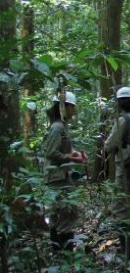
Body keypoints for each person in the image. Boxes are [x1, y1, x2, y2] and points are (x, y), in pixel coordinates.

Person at [103, 86, 130, 255]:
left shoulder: (122, 120)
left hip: (126, 171)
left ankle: (128, 250)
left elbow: (109, 146)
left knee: (121, 208)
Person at [43, 91, 87, 251]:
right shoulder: (57, 127)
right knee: (66, 213)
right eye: (72, 107)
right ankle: (64, 253)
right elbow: (51, 153)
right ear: (64, 107)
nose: (73, 111)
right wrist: (72, 157)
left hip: (61, 175)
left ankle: (60, 252)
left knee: (60, 214)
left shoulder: (61, 127)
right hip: (57, 178)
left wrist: (76, 155)